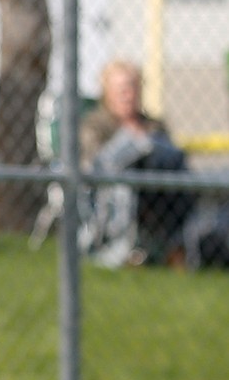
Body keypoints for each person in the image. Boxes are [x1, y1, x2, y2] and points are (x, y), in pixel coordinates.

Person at [80, 60, 192, 267]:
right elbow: (95, 164)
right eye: (122, 89)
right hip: (111, 194)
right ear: (107, 92)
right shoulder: (96, 125)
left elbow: (173, 157)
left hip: (158, 190)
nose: (128, 94)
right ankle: (125, 251)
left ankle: (177, 248)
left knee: (183, 182)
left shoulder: (153, 124)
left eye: (133, 87)